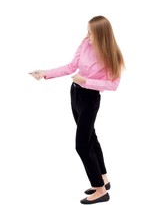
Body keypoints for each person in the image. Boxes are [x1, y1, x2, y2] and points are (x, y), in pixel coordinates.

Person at [29, 16, 125, 205]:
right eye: (87, 30)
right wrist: (45, 73)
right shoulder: (85, 43)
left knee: (81, 145)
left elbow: (113, 85)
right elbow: (71, 66)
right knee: (91, 137)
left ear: (101, 34)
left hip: (90, 99)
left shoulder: (111, 54)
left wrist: (86, 81)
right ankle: (103, 178)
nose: (87, 35)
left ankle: (100, 191)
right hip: (75, 95)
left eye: (91, 32)